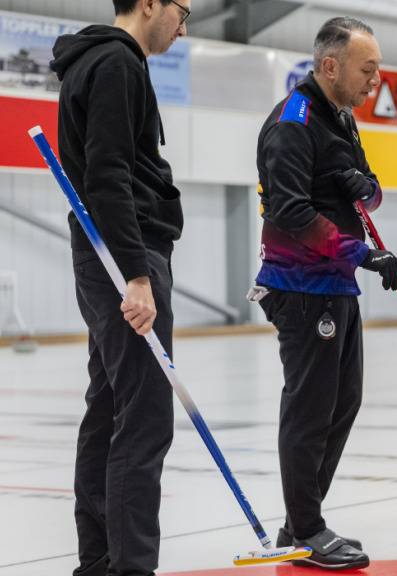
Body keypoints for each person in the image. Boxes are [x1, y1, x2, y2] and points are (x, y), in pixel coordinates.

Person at [252, 16, 397, 570]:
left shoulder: (341, 116)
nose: (375, 81)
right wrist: (363, 254)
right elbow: (291, 211)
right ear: (331, 65)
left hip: (335, 285)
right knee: (311, 407)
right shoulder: (294, 123)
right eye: (368, 70)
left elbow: (370, 191)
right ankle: (306, 531)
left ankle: (301, 521)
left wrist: (366, 187)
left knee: (343, 402)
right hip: (301, 287)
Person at [51, 0, 190, 574]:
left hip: (111, 253)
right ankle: (129, 565)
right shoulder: (116, 63)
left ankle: (99, 562)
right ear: (151, 3)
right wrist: (135, 273)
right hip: (121, 258)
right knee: (146, 412)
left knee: (110, 405)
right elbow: (107, 172)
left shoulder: (99, 61)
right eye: (182, 11)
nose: (183, 28)